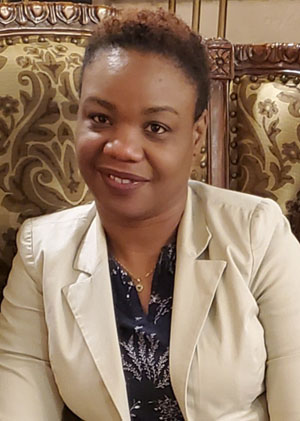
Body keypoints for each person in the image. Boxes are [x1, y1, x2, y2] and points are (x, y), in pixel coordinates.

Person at [0, 8, 300, 421]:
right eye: (100, 118)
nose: (121, 148)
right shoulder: (41, 252)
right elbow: (19, 401)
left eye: (156, 127)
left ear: (195, 137)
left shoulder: (257, 233)